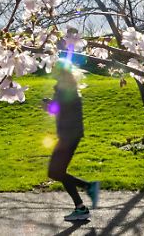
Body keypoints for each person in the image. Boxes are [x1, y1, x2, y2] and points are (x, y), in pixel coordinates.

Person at [44, 60, 100, 222]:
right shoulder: (68, 88)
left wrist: (47, 106)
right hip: (70, 135)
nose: (52, 70)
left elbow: (59, 111)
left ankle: (88, 188)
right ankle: (81, 206)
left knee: (55, 172)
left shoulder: (64, 89)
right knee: (58, 172)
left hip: (68, 136)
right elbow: (61, 109)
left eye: (55, 68)